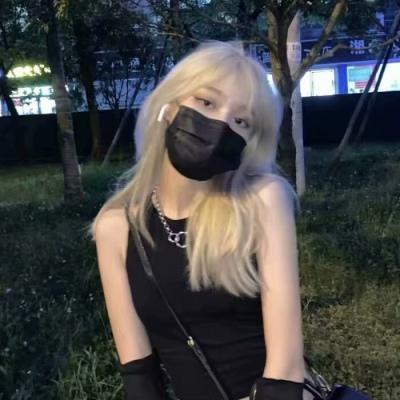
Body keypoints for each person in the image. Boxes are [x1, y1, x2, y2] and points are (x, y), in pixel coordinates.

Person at [90, 40, 307, 400]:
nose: (220, 124)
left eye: (241, 121)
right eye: (206, 102)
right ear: (169, 106)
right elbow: (140, 377)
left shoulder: (262, 200)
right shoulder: (115, 228)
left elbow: (285, 372)